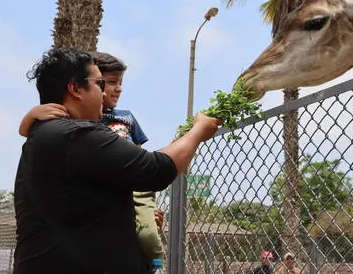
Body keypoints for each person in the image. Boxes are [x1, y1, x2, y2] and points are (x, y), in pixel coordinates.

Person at [13, 48, 221, 274]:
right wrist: (198, 130)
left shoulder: (46, 134)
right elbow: (154, 169)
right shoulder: (75, 135)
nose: (104, 93)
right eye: (99, 84)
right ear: (74, 88)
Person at [18, 51, 166, 261]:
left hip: (132, 182)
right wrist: (32, 114)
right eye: (106, 83)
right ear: (77, 87)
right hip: (109, 190)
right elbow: (29, 131)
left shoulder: (126, 117)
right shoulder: (76, 121)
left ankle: (153, 262)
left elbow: (141, 158)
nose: (116, 89)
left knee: (147, 232)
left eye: (120, 83)